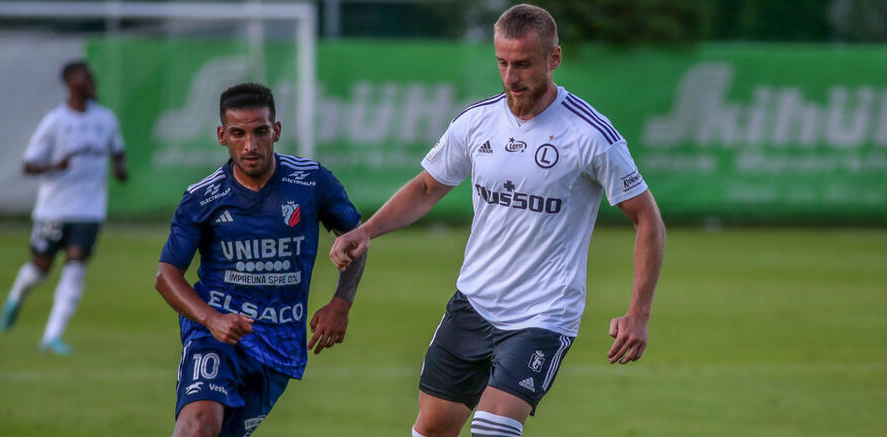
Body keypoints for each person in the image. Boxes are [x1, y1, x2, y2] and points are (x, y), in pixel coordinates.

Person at [329, 4, 666, 437]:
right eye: (503, 63)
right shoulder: (477, 122)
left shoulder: (589, 135)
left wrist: (639, 312)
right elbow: (428, 187)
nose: (511, 76)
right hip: (473, 304)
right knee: (431, 429)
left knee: (492, 428)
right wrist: (366, 229)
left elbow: (648, 219)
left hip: (542, 315)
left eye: (524, 64)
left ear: (554, 59)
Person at [154, 83, 366, 437]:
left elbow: (357, 238)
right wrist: (212, 319)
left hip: (278, 343)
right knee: (196, 426)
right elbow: (166, 275)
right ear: (222, 136)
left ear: (276, 131)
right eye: (238, 133)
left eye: (260, 132)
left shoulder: (311, 181)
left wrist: (340, 304)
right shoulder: (203, 198)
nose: (250, 145)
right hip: (216, 335)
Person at [0, 59, 128, 355]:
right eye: (85, 77)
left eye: (91, 77)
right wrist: (54, 165)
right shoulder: (55, 121)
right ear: (70, 82)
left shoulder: (106, 119)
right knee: (40, 269)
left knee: (76, 265)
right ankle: (17, 295)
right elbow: (28, 164)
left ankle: (52, 336)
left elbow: (118, 151)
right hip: (54, 209)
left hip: (89, 210)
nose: (91, 81)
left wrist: (120, 168)